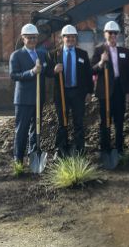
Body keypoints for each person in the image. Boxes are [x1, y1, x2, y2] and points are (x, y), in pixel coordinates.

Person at [46, 24, 93, 157]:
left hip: (78, 93)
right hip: (61, 93)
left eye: (73, 37)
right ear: (62, 38)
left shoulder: (82, 54)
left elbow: (88, 74)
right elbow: (47, 72)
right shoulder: (54, 54)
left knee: (78, 122)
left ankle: (79, 149)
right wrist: (54, 70)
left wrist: (89, 92)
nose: (71, 39)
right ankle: (61, 149)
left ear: (76, 38)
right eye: (68, 37)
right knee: (62, 122)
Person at [91, 21, 129, 155]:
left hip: (119, 91)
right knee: (105, 121)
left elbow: (127, 73)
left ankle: (119, 148)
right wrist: (102, 62)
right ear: (105, 34)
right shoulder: (99, 50)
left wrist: (128, 91)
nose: (113, 35)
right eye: (110, 33)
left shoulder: (124, 51)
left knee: (119, 121)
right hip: (105, 92)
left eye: (115, 33)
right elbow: (92, 71)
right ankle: (105, 148)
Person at [9, 23, 46, 164]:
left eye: (34, 38)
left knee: (36, 128)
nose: (32, 40)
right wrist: (31, 72)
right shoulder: (16, 55)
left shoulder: (42, 54)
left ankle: (33, 155)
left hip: (38, 98)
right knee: (21, 130)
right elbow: (14, 75)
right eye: (29, 38)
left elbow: (47, 71)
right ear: (23, 38)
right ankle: (18, 159)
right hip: (23, 99)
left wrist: (55, 69)